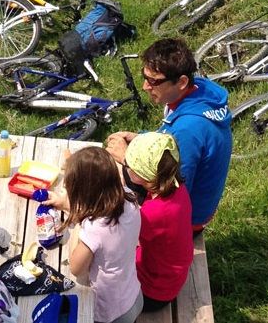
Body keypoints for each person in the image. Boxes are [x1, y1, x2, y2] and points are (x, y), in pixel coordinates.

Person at [106, 37, 231, 233]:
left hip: (186, 219)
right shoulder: (198, 91)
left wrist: (127, 159)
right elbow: (170, 140)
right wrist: (141, 138)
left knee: (103, 197)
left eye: (154, 81)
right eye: (145, 77)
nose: (145, 87)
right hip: (196, 201)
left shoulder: (188, 130)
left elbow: (171, 189)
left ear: (181, 82)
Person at [47, 147, 143, 323]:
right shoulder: (128, 197)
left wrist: (78, 219)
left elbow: (76, 268)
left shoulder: (94, 229)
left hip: (112, 313)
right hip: (134, 295)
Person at [123, 132, 193, 312]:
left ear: (143, 176)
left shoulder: (153, 214)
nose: (125, 166)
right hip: (170, 275)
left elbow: (117, 239)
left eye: (128, 165)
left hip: (153, 292)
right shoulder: (177, 187)